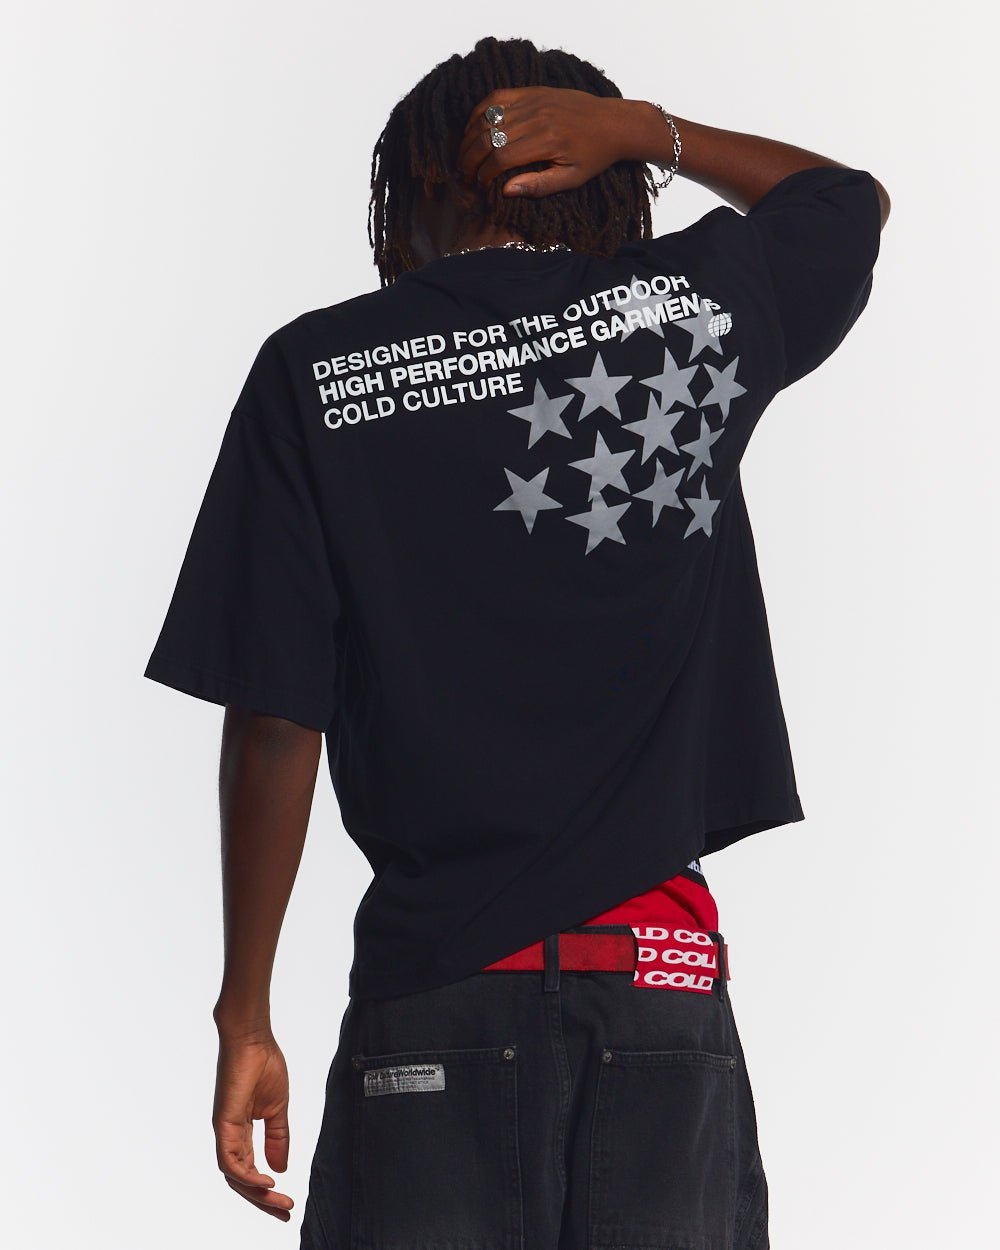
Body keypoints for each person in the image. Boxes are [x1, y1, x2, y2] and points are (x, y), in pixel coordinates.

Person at [143, 35, 890, 1250]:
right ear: (597, 180)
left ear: (419, 186)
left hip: (435, 991)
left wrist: (245, 1013)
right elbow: (845, 204)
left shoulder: (317, 371)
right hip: (657, 983)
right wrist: (650, 131)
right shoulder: (688, 318)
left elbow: (275, 718)